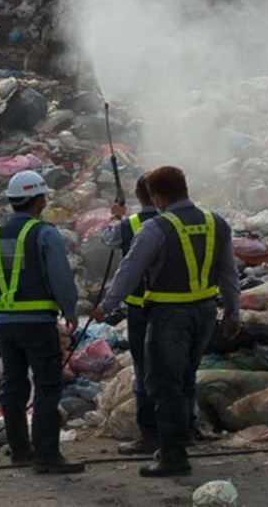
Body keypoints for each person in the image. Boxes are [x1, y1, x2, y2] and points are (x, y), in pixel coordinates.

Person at [93, 166, 240, 477]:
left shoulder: (156, 228)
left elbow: (129, 272)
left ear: (157, 197)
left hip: (168, 316)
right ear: (185, 188)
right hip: (204, 313)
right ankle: (183, 437)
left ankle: (172, 456)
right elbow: (229, 273)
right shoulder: (216, 223)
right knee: (186, 379)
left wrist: (105, 306)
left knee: (165, 385)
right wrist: (232, 312)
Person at [0, 170, 85, 474]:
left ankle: (20, 452)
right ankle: (47, 455)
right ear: (38, 199)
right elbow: (60, 277)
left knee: (12, 386)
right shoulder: (44, 233)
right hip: (38, 323)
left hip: (4, 323)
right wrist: (69, 309)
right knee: (47, 386)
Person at [96, 174, 161, 455]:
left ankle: (149, 435)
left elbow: (107, 240)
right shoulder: (174, 223)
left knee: (145, 372)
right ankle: (184, 429)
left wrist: (115, 216)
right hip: (176, 308)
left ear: (138, 194)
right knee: (178, 371)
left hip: (140, 311)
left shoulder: (130, 225)